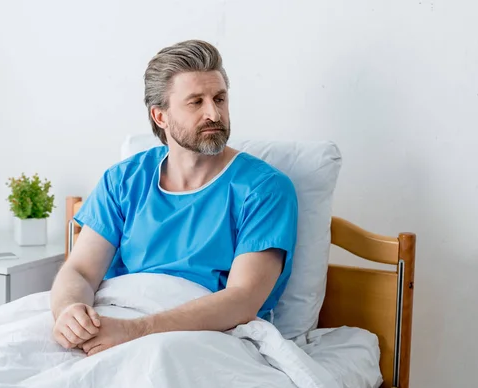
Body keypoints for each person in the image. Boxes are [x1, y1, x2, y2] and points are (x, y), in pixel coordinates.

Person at [49, 40, 298, 356]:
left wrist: (136, 331)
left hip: (201, 335)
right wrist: (70, 311)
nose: (213, 113)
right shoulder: (124, 180)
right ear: (160, 116)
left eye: (219, 99)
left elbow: (243, 299)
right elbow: (81, 271)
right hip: (113, 316)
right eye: (196, 102)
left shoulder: (264, 189)